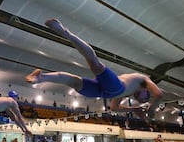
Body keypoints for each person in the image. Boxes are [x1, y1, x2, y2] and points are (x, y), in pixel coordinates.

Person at [26, 18, 163, 118]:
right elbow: (159, 94)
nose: (142, 100)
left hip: (103, 92)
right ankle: (65, 32)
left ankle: (41, 77)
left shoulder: (128, 92)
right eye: (145, 99)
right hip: (115, 86)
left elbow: (113, 107)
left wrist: (134, 110)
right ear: (146, 91)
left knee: (73, 81)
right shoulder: (143, 80)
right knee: (95, 64)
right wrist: (152, 108)